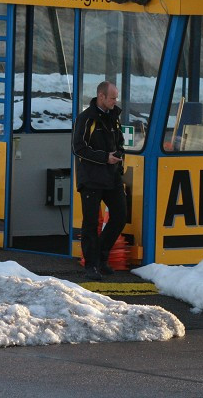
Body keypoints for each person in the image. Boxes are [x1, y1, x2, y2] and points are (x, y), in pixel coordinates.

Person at [72, 81, 128, 281]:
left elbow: (120, 142)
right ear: (101, 97)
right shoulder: (86, 118)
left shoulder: (114, 117)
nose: (115, 101)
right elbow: (78, 147)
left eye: (116, 97)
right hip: (91, 179)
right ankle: (91, 265)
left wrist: (118, 157)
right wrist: (105, 157)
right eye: (112, 97)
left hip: (112, 176)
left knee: (120, 216)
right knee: (90, 223)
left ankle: (101, 257)